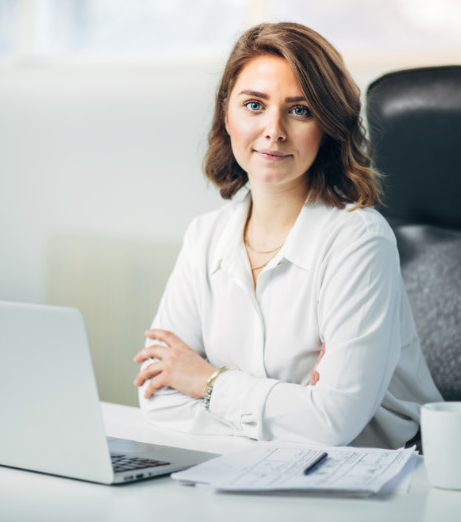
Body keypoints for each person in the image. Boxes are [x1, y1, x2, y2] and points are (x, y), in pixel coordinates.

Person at [133, 22, 442, 449]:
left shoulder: (359, 241)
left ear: (328, 127)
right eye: (254, 105)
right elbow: (158, 396)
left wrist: (205, 383)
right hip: (242, 473)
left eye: (300, 110)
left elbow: (333, 422)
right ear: (227, 113)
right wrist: (289, 413)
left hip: (368, 482)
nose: (273, 129)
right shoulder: (204, 237)